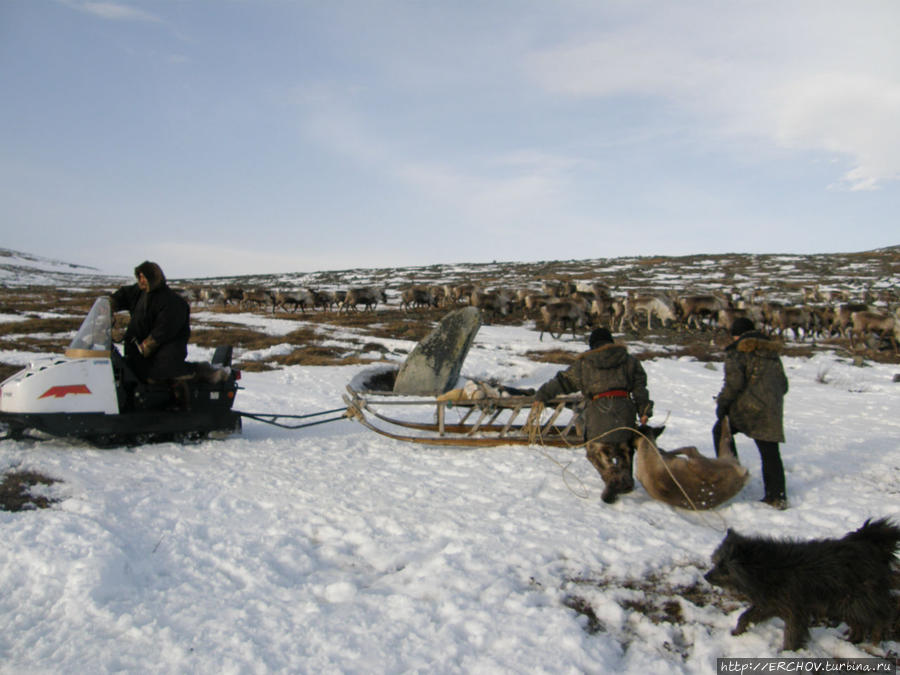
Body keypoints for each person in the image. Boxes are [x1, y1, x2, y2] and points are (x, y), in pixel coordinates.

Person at [534, 327, 653, 503]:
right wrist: (644, 410)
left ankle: (611, 477)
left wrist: (541, 395)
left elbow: (563, 382)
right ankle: (625, 480)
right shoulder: (629, 361)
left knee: (595, 450)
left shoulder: (585, 363)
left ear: (592, 345)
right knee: (624, 447)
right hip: (624, 410)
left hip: (599, 412)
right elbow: (640, 388)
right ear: (611, 342)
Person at [714, 317, 789, 509]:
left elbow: (734, 384)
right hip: (771, 409)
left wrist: (722, 405)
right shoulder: (772, 353)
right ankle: (777, 496)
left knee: (721, 432)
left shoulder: (737, 352)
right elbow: (783, 384)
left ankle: (733, 476)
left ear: (736, 335)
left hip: (747, 410)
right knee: (770, 452)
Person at [110, 261, 191, 383]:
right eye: (140, 277)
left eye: (145, 277)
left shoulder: (171, 301)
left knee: (154, 375)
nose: (141, 280)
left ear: (153, 278)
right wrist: (109, 304)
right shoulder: (139, 292)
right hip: (139, 353)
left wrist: (147, 345)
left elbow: (164, 329)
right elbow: (124, 295)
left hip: (163, 355)